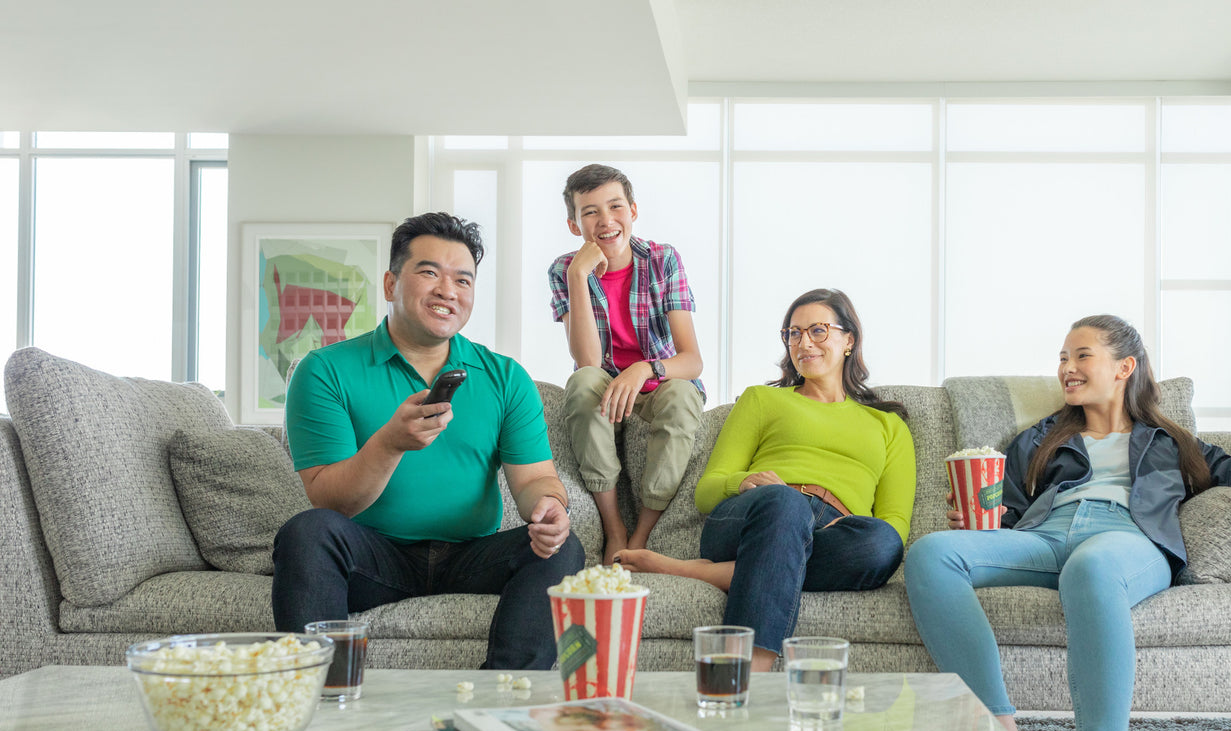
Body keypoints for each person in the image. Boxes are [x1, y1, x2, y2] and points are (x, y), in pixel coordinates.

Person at [903, 314, 1231, 731]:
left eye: (1081, 355)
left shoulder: (1170, 441)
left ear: (1123, 367)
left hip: (1126, 543)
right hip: (1045, 537)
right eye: (1063, 358)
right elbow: (1007, 511)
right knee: (933, 552)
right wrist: (973, 518)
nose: (1066, 367)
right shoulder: (1040, 437)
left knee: (1089, 570)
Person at [272, 211, 584, 670]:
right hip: (374, 555)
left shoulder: (506, 377)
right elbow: (330, 502)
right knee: (306, 532)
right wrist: (390, 443)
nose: (447, 291)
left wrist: (549, 506)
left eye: (463, 280)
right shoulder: (324, 371)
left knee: (564, 547)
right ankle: (320, 694)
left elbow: (535, 478)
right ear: (390, 284)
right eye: (429, 273)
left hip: (471, 557)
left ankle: (502, 699)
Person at [617, 289, 914, 672]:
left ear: (849, 340)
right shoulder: (762, 400)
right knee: (785, 504)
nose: (803, 343)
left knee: (883, 544)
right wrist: (743, 483)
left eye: (818, 331)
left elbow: (895, 525)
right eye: (793, 333)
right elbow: (707, 491)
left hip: (836, 532)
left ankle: (695, 570)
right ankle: (748, 675)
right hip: (755, 516)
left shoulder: (888, 425)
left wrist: (848, 525)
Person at [548, 164, 706, 563]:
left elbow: (692, 360)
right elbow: (587, 361)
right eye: (590, 212)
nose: (606, 221)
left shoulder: (662, 260)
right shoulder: (563, 270)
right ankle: (613, 527)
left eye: (615, 206)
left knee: (683, 398)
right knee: (583, 382)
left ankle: (641, 534)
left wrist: (644, 369)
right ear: (573, 224)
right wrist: (579, 275)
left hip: (658, 386)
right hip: (604, 387)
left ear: (633, 210)